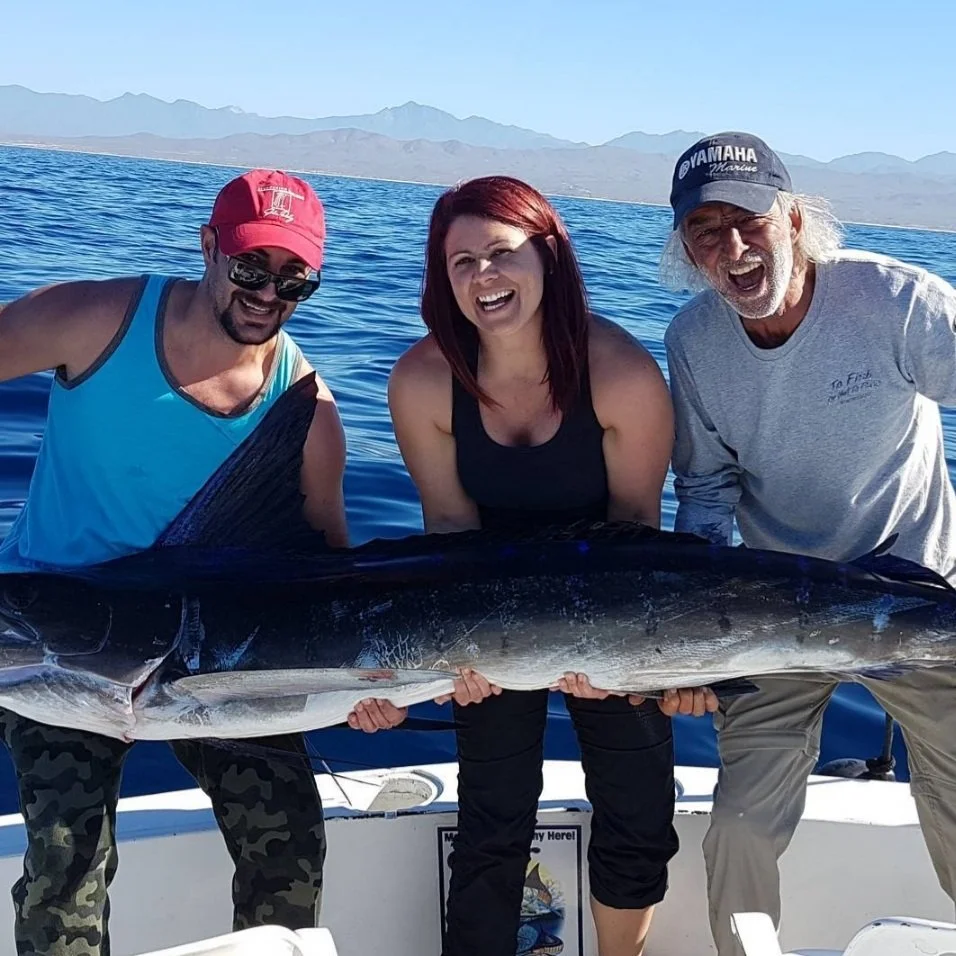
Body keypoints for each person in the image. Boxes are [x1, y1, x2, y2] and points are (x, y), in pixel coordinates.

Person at [0, 167, 403, 956]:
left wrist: (370, 679)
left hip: (218, 656)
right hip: (57, 646)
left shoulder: (308, 411)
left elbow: (332, 566)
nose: (268, 292)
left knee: (288, 846)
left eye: (296, 279)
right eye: (251, 268)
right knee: (65, 875)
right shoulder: (93, 320)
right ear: (209, 247)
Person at [659, 131, 956, 955]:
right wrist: (695, 652)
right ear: (686, 250)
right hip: (774, 618)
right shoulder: (693, 341)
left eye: (749, 220)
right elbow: (708, 492)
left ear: (793, 219)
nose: (733, 247)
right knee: (740, 833)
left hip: (919, 604)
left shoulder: (898, 301)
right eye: (706, 231)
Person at [388, 174, 689, 956]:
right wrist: (457, 656)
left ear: (549, 257)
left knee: (638, 808)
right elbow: (449, 531)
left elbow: (636, 531)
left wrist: (612, 658)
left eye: (501, 253)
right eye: (460, 263)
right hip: (485, 620)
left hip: (613, 609)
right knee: (494, 812)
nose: (483, 277)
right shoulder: (421, 381)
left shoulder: (622, 373)